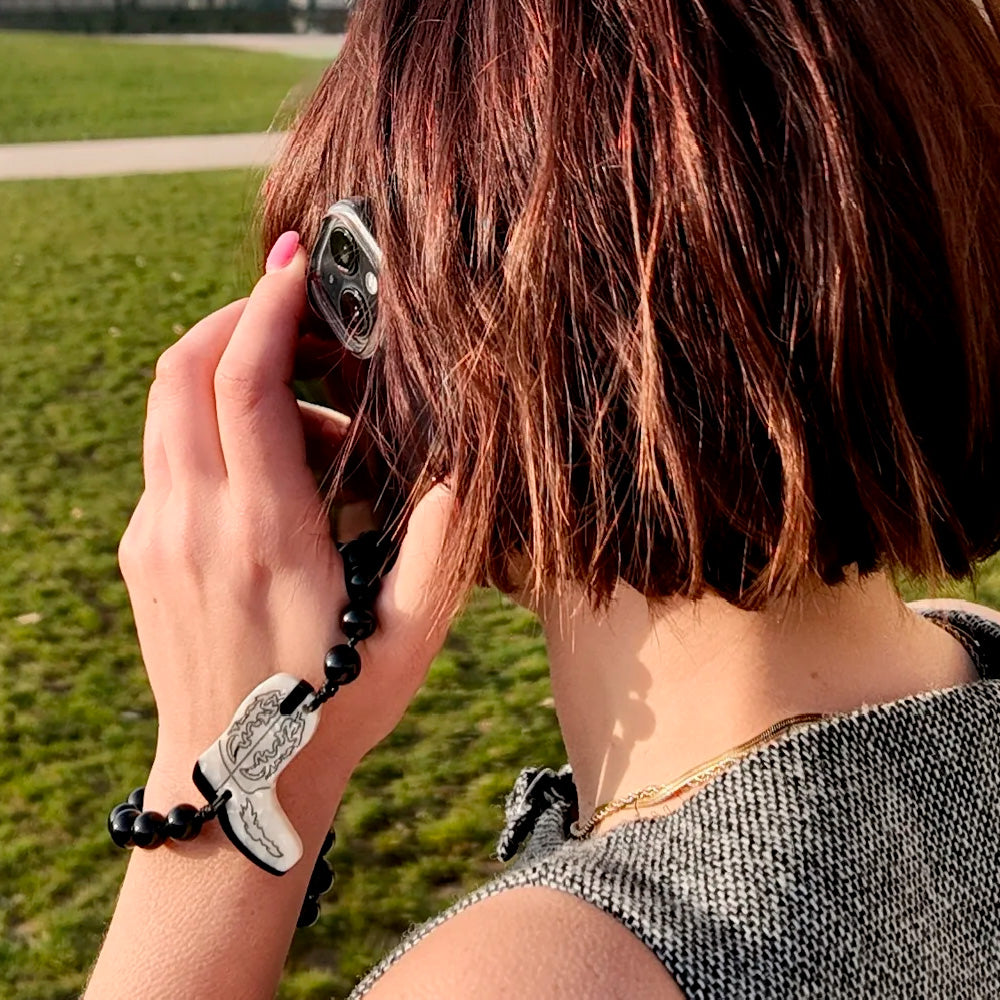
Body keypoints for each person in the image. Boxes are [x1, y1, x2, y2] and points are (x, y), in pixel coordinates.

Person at [85, 0, 1000, 996]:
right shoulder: (969, 655)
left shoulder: (537, 976)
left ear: (449, 344)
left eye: (341, 322)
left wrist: (230, 780)